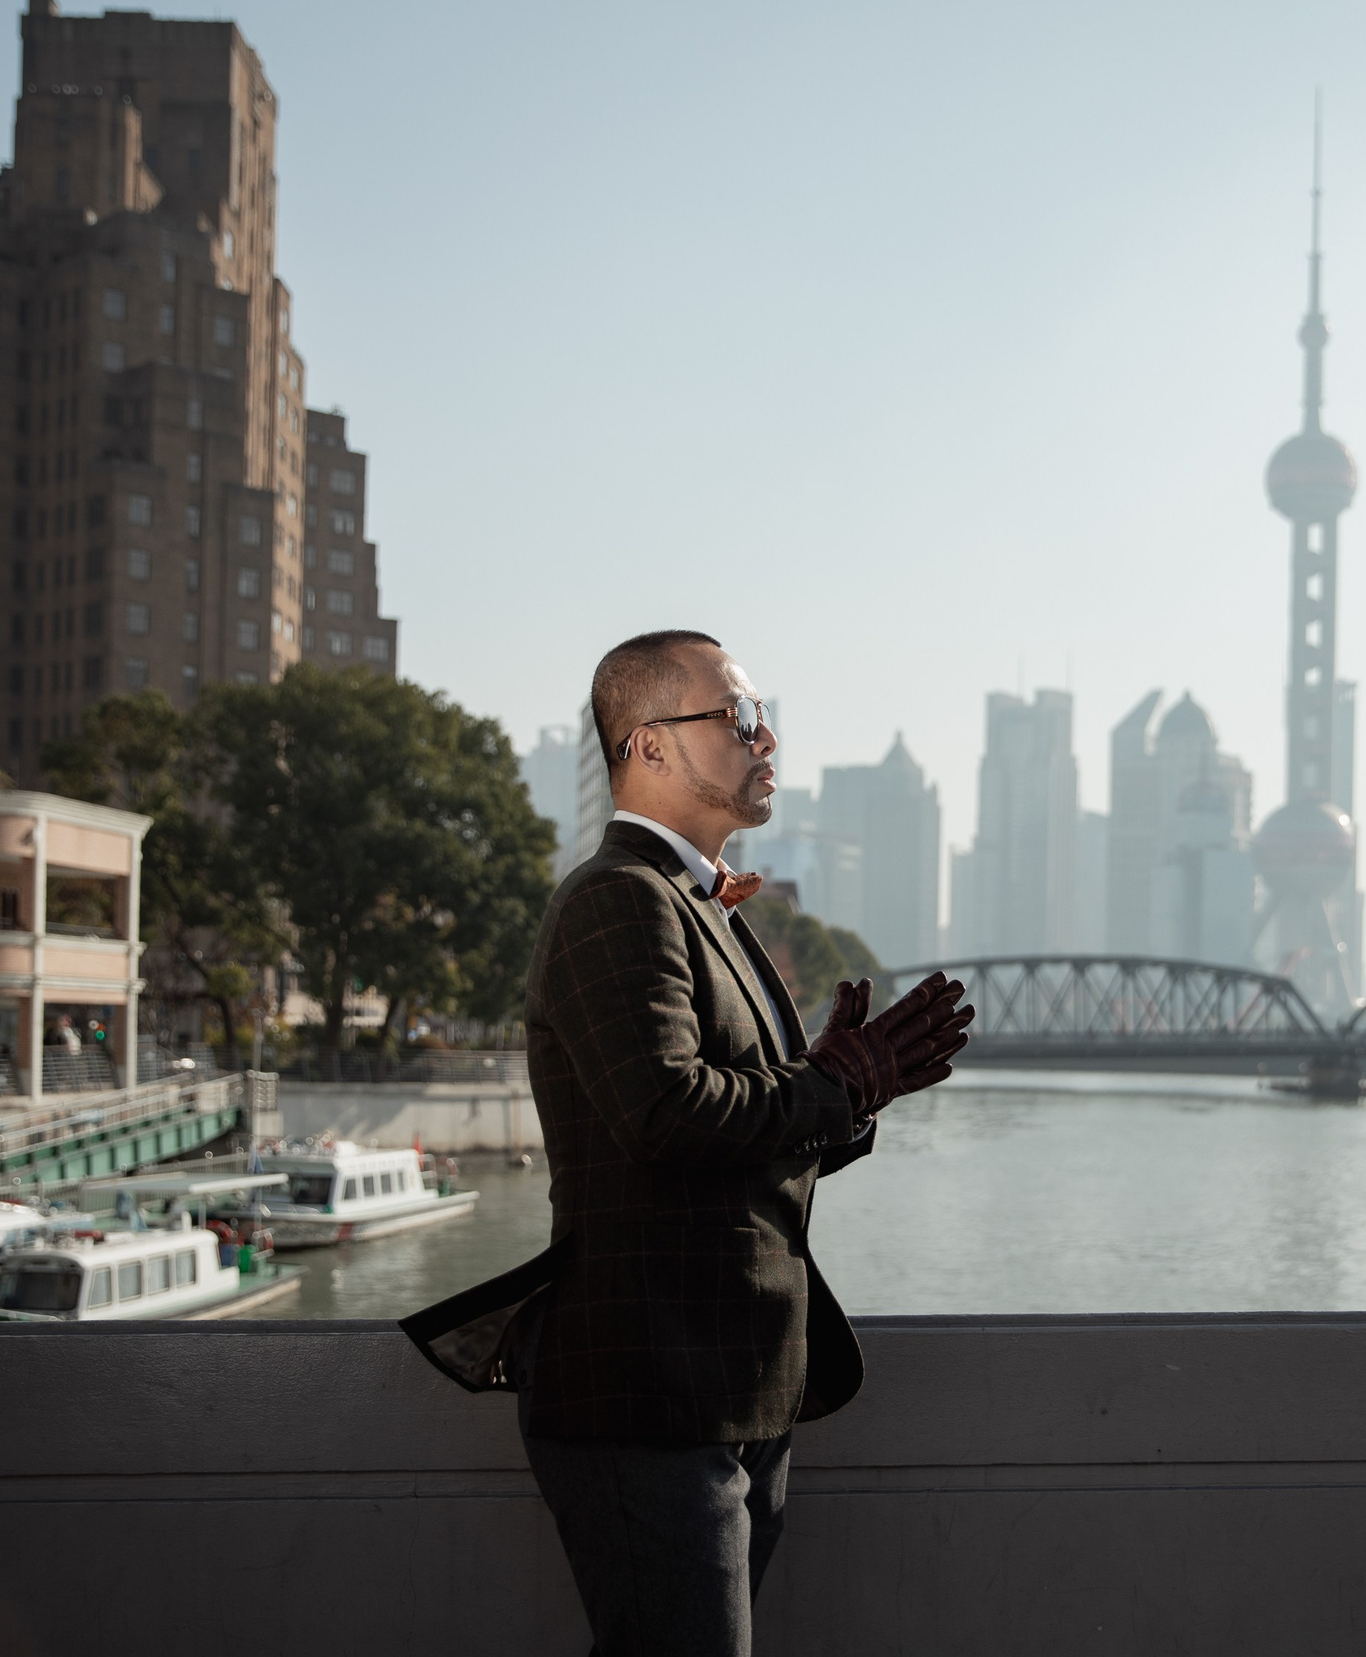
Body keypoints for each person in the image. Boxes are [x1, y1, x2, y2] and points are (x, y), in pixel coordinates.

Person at [404, 630, 973, 1656]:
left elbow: (757, 1136)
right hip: (650, 1388)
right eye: (736, 716)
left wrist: (850, 1091)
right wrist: (829, 1083)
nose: (766, 736)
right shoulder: (619, 898)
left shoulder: (701, 904)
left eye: (763, 716)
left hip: (733, 1388)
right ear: (649, 745)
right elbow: (664, 1115)